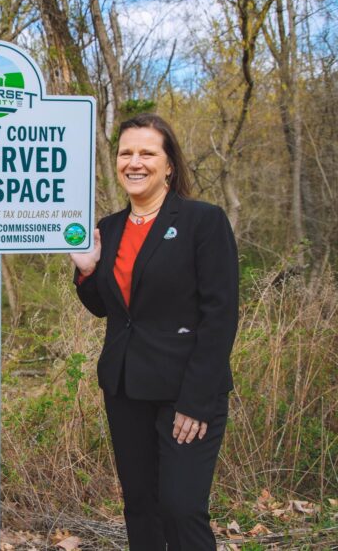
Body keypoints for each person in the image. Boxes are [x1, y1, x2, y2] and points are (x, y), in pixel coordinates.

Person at [70, 113, 238, 550]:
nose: (134, 162)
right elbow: (107, 309)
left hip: (185, 390)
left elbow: (220, 316)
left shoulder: (204, 221)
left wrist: (196, 402)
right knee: (141, 507)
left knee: (181, 508)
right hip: (126, 387)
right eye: (125, 153)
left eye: (147, 153)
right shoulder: (108, 228)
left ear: (169, 166)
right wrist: (87, 271)